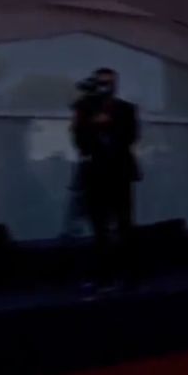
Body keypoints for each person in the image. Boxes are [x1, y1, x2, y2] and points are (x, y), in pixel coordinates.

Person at [72, 68, 140, 291]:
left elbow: (131, 136)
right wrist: (94, 123)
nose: (105, 87)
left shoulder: (126, 109)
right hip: (95, 173)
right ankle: (104, 274)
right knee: (99, 225)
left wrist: (110, 123)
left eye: (109, 83)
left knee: (124, 223)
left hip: (120, 172)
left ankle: (128, 273)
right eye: (101, 83)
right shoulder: (84, 107)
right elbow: (79, 139)